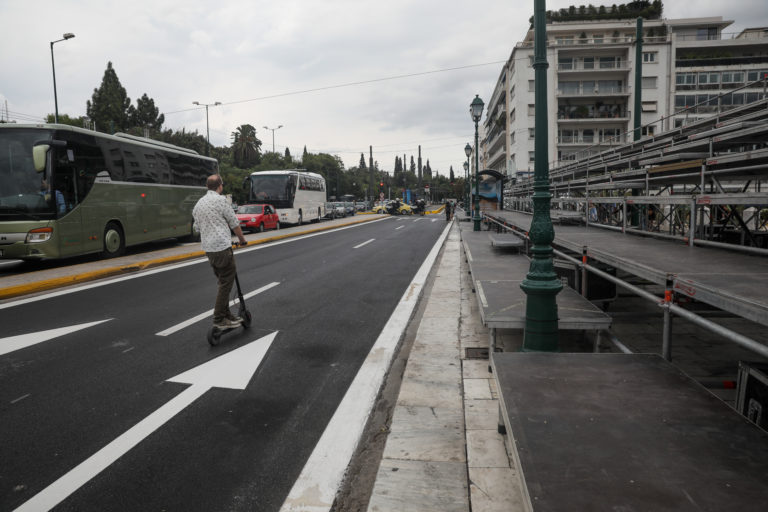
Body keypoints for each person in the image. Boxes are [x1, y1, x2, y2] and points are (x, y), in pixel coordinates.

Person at [193, 174, 248, 329]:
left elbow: (197, 228)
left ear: (207, 187)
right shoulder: (221, 200)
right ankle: (219, 319)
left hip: (209, 249)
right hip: (222, 248)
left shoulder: (199, 204)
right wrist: (242, 240)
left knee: (222, 281)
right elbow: (234, 223)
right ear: (220, 186)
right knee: (226, 283)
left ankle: (227, 315)